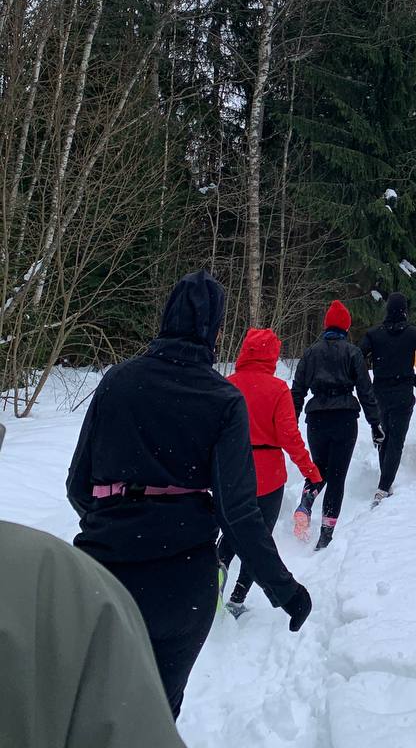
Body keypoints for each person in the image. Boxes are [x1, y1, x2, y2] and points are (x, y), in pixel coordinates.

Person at [67, 270, 311, 720]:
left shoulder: (117, 381)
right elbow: (238, 513)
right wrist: (286, 590)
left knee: (84, 714)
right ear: (216, 332)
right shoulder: (221, 399)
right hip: (180, 586)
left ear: (165, 318)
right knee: (154, 718)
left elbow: (78, 485)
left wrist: (119, 525)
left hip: (101, 574)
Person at [1, 424, 186, 748]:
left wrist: (107, 525)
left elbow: (78, 483)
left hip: (111, 545)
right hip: (185, 562)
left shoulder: (53, 575)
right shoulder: (50, 575)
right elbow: (236, 500)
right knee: (158, 696)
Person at [217, 327, 322, 616]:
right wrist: (310, 471)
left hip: (233, 472)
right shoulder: (277, 390)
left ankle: (216, 574)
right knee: (258, 541)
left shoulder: (227, 385)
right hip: (268, 476)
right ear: (272, 356)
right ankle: (237, 599)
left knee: (232, 530)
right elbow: (290, 437)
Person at [291, 300, 383, 548]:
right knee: (337, 477)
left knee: (318, 469)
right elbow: (366, 391)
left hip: (317, 419)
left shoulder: (310, 353)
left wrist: (292, 420)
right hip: (344, 418)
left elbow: (297, 390)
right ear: (346, 326)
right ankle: (325, 535)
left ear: (325, 325)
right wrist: (375, 424)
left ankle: (307, 502)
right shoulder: (353, 353)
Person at [360, 291, 416, 505]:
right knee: (396, 441)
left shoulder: (374, 334)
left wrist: (366, 379)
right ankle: (383, 487)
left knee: (384, 437)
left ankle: (385, 482)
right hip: (403, 391)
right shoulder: (413, 334)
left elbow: (358, 357)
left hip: (380, 392)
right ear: (404, 311)